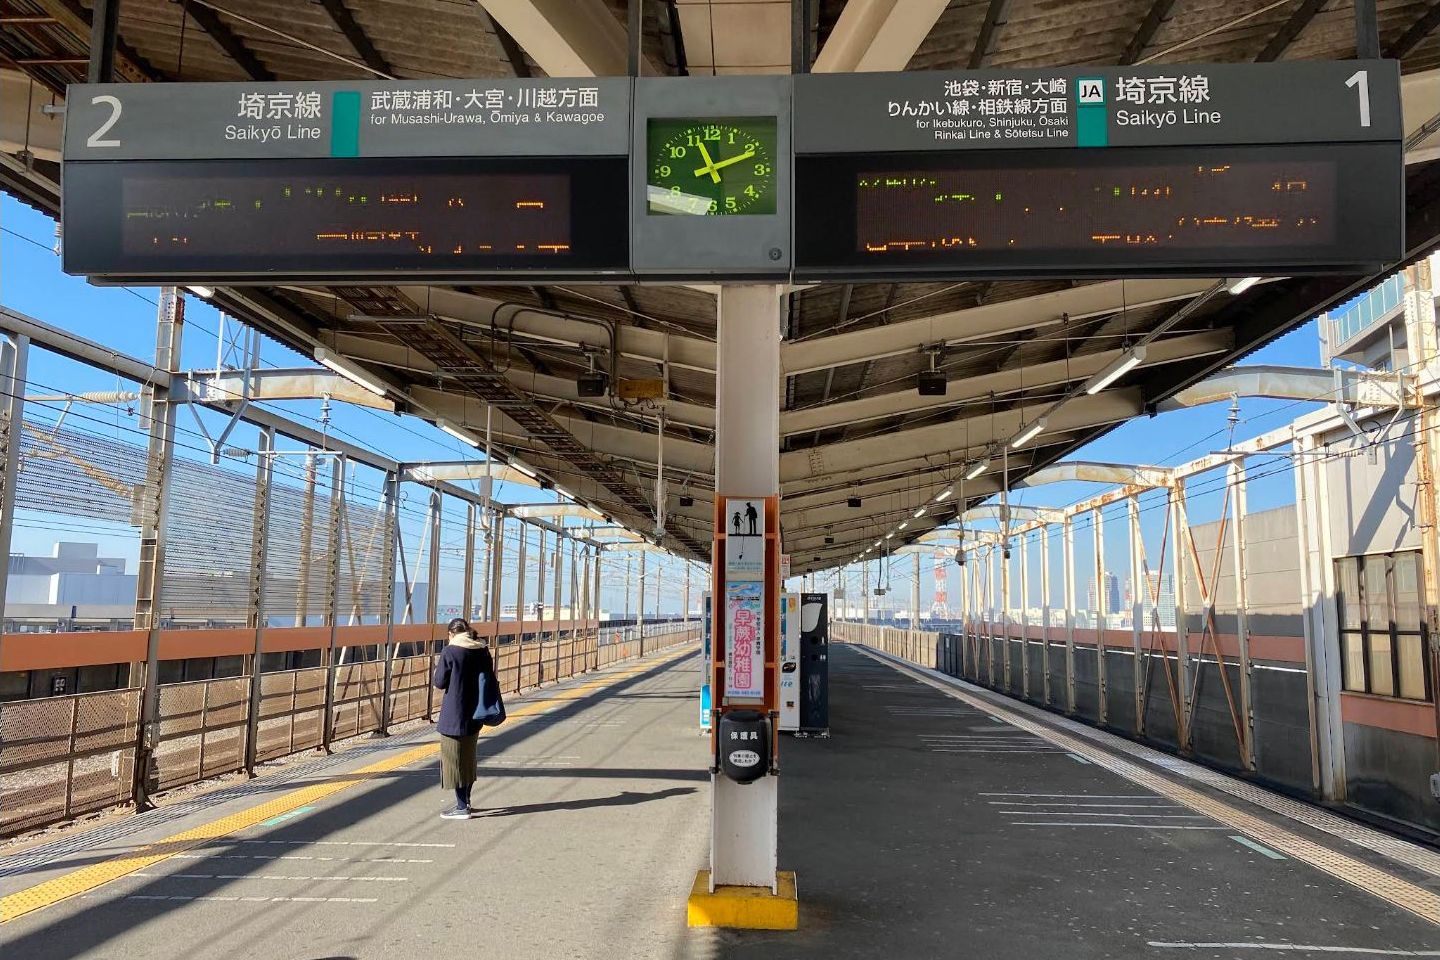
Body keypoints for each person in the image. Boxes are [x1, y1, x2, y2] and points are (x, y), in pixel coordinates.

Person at [432, 617, 495, 820]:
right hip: (476, 711)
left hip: (454, 713)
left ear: (451, 634)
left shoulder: (450, 651)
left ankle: (461, 807)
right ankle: (466, 801)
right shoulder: (481, 649)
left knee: (453, 761)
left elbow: (440, 682)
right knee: (468, 759)